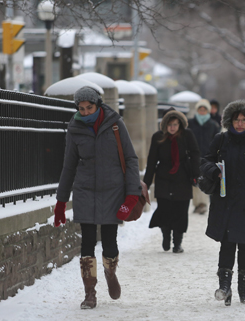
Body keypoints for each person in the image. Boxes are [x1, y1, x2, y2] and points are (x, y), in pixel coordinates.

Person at [53, 86, 142, 309]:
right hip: (85, 190)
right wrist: (61, 201)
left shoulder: (114, 124)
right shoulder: (74, 128)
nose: (84, 112)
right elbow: (69, 165)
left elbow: (130, 158)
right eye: (81, 108)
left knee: (110, 241)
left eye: (89, 107)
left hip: (113, 190)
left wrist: (132, 195)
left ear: (97, 104)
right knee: (88, 241)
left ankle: (110, 274)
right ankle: (89, 292)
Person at [200, 100, 245, 306]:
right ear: (229, 121)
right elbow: (205, 160)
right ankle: (224, 286)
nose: (240, 124)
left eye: (244, 120)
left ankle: (243, 287)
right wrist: (213, 170)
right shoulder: (221, 140)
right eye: (236, 120)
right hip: (225, 200)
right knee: (226, 243)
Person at [143, 108, 200, 253]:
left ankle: (177, 243)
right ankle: (166, 236)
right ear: (164, 125)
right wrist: (146, 183)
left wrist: (195, 175)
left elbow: (195, 155)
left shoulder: (187, 135)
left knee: (181, 211)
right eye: (169, 125)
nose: (172, 127)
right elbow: (151, 161)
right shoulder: (158, 137)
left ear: (180, 124)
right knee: (165, 210)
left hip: (183, 177)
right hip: (164, 178)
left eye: (175, 124)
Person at [188, 99, 221, 214]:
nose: (202, 112)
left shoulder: (213, 125)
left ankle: (203, 204)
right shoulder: (191, 123)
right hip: (193, 156)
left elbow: (217, 141)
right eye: (200, 110)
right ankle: (198, 204)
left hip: (208, 157)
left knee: (206, 179)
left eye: (204, 110)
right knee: (195, 180)